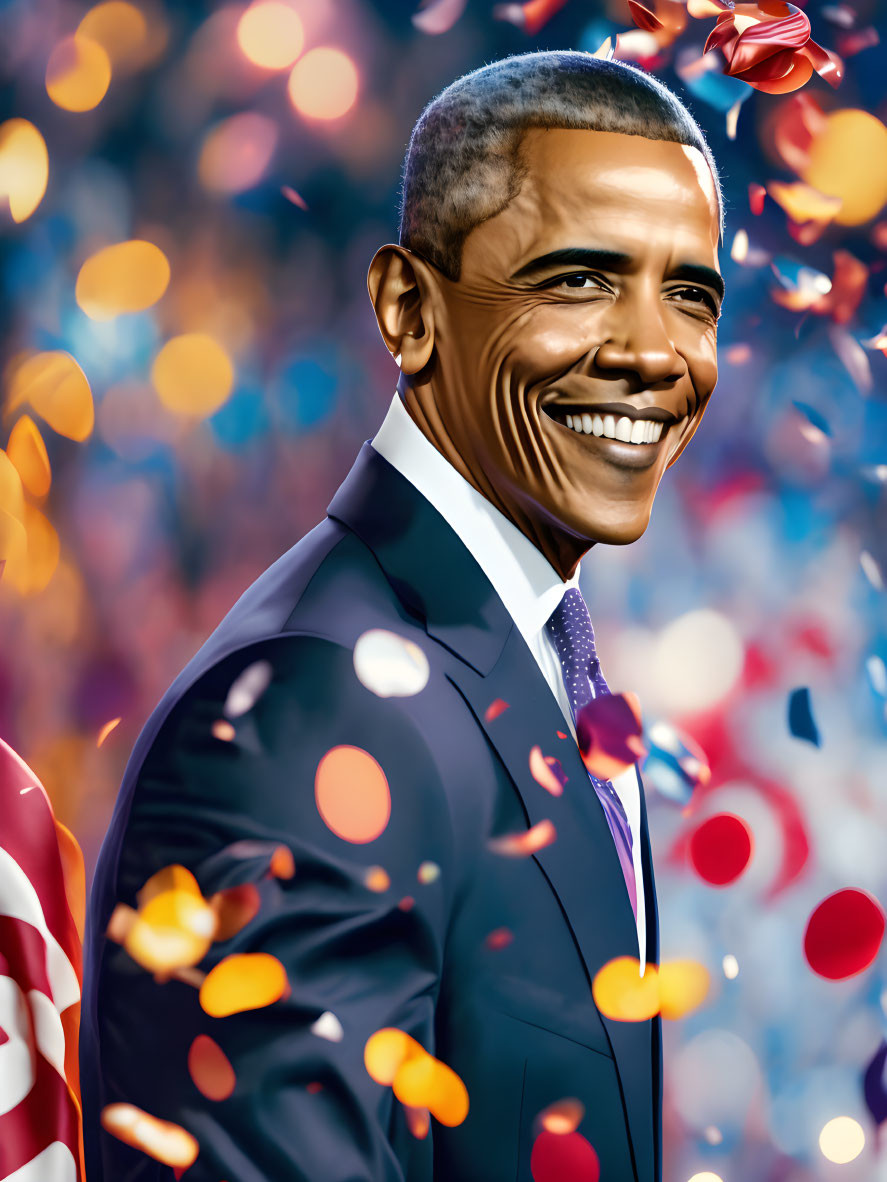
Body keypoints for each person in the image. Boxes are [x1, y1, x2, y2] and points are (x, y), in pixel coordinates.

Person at [80, 49, 724, 1182]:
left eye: (689, 294)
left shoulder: (526, 664)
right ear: (408, 309)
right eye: (578, 280)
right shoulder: (315, 707)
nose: (652, 352)